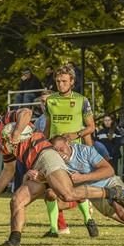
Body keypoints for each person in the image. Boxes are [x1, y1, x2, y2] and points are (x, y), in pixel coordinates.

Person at [0, 108, 124, 246]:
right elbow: (8, 170)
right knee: (17, 200)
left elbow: (26, 112)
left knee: (67, 194)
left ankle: (111, 192)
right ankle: (14, 241)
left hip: (46, 155)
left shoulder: (5, 119)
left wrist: (16, 132)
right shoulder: (3, 143)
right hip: (36, 166)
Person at [43, 65, 97, 235]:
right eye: (58, 81)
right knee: (50, 193)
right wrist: (42, 145)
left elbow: (91, 127)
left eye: (64, 81)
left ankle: (88, 220)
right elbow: (48, 126)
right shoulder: (50, 101)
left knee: (76, 192)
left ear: (72, 81)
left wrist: (75, 135)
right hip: (52, 152)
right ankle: (54, 230)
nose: (61, 84)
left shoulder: (82, 101)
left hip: (74, 153)